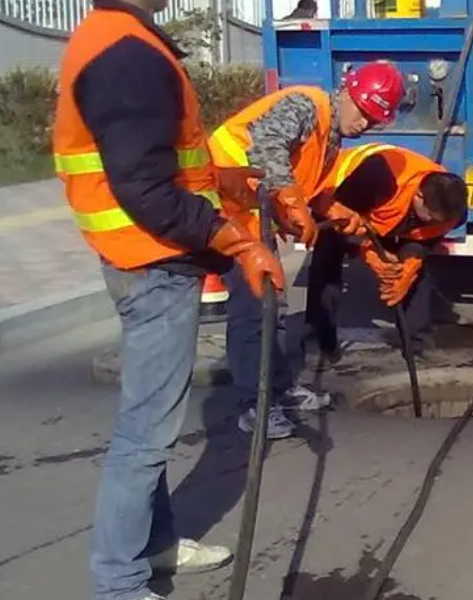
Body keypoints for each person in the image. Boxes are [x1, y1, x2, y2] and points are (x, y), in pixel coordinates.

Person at [52, 0, 284, 598]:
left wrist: (216, 179)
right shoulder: (126, 54)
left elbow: (158, 159)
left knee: (148, 419)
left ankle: (152, 546)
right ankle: (119, 582)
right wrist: (235, 240)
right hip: (150, 260)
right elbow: (144, 186)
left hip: (140, 255)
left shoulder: (116, 38)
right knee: (145, 433)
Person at [208, 61, 405, 438]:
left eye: (374, 119)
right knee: (256, 307)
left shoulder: (330, 139)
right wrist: (291, 201)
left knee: (273, 306)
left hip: (253, 209)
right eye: (363, 110)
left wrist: (336, 211)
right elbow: (266, 143)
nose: (365, 123)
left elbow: (310, 188)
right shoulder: (306, 105)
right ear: (346, 91)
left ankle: (277, 389)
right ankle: (256, 405)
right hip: (228, 204)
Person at [306, 143, 468, 361]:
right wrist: (371, 255)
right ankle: (322, 341)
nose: (431, 221)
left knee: (414, 276)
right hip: (339, 203)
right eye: (429, 216)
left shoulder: (452, 210)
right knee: (327, 262)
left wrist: (411, 262)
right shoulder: (378, 175)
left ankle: (415, 343)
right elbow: (341, 222)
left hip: (388, 218)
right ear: (419, 196)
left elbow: (426, 237)